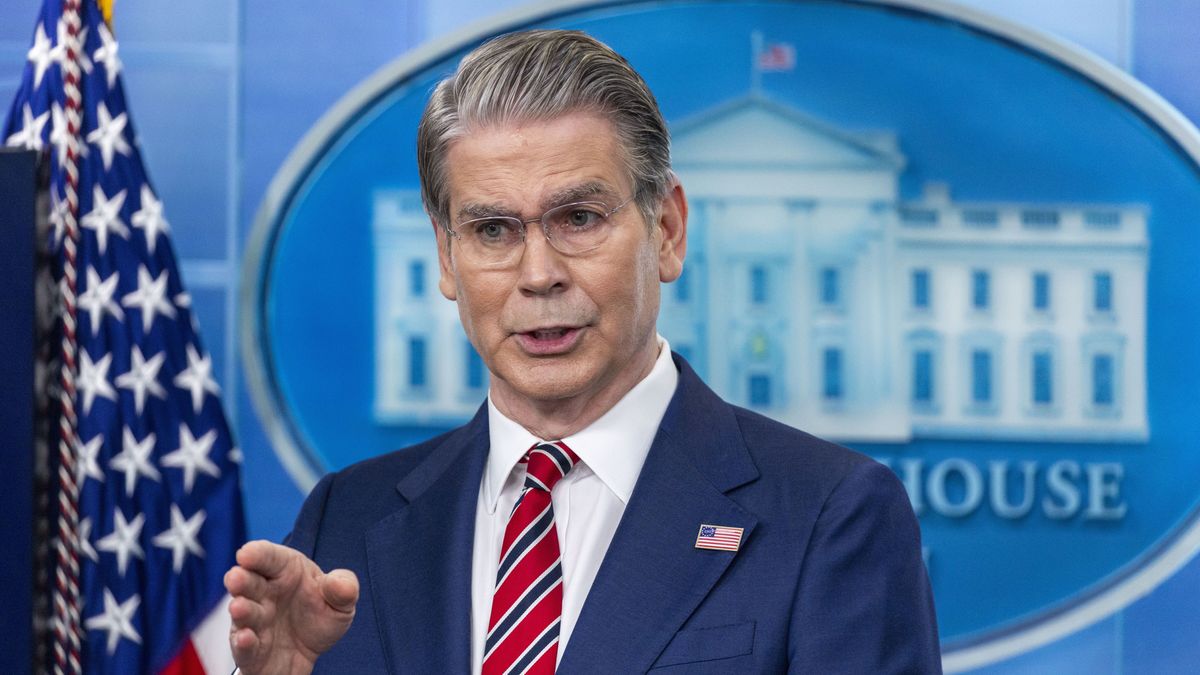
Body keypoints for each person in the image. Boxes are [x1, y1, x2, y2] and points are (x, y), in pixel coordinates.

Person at [224, 29, 940, 674]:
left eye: (578, 218)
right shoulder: (346, 518)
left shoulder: (830, 515)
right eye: (495, 230)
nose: (539, 273)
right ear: (447, 257)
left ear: (666, 230)